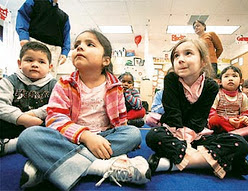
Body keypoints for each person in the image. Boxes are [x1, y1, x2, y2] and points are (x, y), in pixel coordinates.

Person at [16, 29, 151, 190]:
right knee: (28, 136)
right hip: (70, 138)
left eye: (89, 44)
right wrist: (85, 136)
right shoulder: (64, 83)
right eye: (77, 44)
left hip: (104, 139)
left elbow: (121, 123)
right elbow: (54, 119)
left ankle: (50, 164)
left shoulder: (116, 87)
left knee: (133, 134)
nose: (79, 47)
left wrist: (117, 143)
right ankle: (102, 167)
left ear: (105, 60)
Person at [146, 39, 248, 180]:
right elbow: (173, 114)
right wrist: (182, 138)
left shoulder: (211, 86)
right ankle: (221, 163)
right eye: (176, 56)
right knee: (154, 136)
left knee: (240, 143)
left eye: (188, 53)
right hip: (173, 132)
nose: (180, 59)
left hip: (197, 134)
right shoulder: (171, 79)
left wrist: (188, 142)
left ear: (203, 61)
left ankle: (170, 164)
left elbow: (199, 119)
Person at [0, 41, 57, 156]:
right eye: (29, 60)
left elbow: (56, 105)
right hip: (14, 123)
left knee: (57, 124)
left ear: (50, 67)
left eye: (41, 61)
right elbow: (1, 105)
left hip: (39, 124)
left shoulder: (55, 85)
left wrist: (32, 115)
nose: (35, 64)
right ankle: (15, 143)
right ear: (19, 63)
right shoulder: (10, 81)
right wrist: (22, 118)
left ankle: (15, 144)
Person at [16, 0, 71, 77]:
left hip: (54, 50)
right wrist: (23, 37)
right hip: (34, 44)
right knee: (27, 75)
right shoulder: (35, 2)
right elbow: (23, 16)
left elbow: (66, 36)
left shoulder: (64, 17)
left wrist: (65, 53)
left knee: (49, 78)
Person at [208, 66, 248, 136]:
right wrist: (228, 120)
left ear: (241, 81)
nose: (230, 79)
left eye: (234, 76)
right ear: (219, 81)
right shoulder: (217, 94)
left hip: (237, 123)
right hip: (223, 123)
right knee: (214, 120)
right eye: (226, 76)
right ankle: (245, 133)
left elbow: (246, 112)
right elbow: (211, 112)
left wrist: (245, 117)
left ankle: (233, 134)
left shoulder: (243, 96)